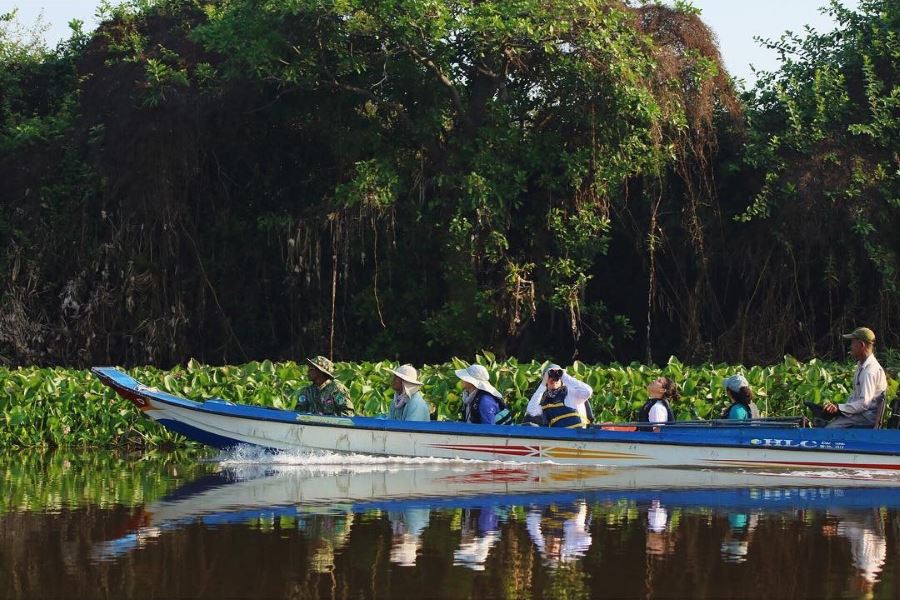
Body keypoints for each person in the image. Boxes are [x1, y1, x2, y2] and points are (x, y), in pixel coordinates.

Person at [822, 327, 887, 428]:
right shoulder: (861, 365)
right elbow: (855, 397)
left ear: (861, 345)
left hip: (866, 417)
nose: (851, 346)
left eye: (853, 343)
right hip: (859, 414)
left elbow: (864, 403)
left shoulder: (869, 371)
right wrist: (839, 410)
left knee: (829, 429)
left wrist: (840, 408)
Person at [525, 364, 594, 428]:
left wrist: (564, 376)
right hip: (559, 438)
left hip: (577, 435)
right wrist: (543, 384)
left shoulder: (571, 393)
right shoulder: (543, 400)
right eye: (550, 376)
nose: (553, 379)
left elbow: (588, 391)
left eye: (557, 376)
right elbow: (531, 411)